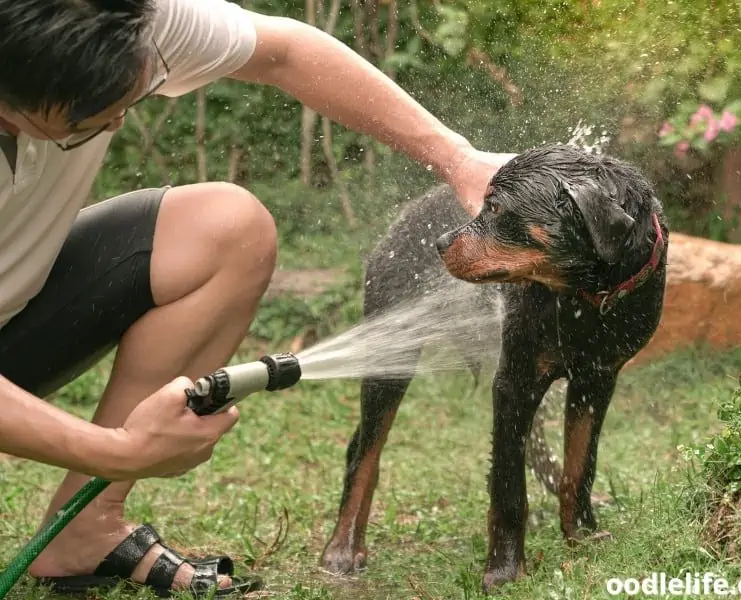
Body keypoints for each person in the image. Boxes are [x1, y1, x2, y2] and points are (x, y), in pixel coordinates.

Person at [0, 0, 514, 597]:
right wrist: (118, 450)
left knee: (228, 229)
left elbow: (288, 52)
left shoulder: (117, 15)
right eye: (84, 123)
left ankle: (83, 531)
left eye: (132, 94)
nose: (116, 122)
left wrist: (458, 160)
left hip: (19, 316)